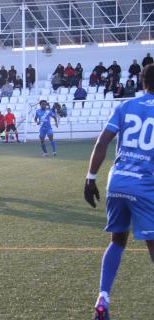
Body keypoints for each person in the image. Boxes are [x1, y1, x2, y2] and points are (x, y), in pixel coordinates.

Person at [83, 63, 154, 320]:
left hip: (118, 182)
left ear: (141, 82)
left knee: (117, 242)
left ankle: (103, 296)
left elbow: (103, 141)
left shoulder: (125, 106)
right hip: (145, 185)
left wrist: (90, 178)